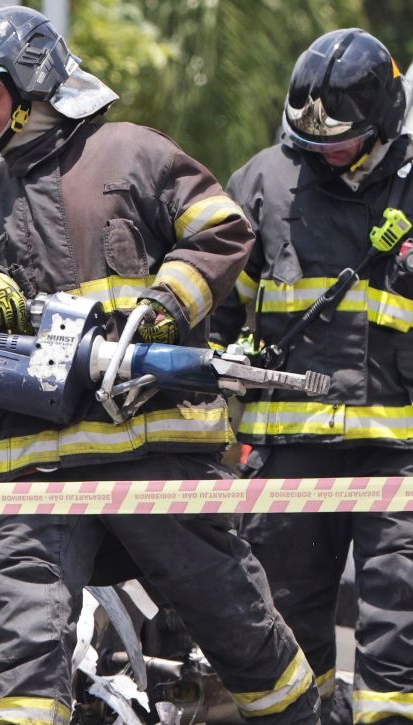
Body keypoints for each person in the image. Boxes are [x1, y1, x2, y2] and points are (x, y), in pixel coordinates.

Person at [0, 6, 318, 723]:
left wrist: (167, 300)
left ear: (33, 79)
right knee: (23, 662)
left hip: (149, 458)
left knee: (240, 629)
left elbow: (222, 228)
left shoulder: (130, 153)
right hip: (27, 475)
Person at [211, 28, 413, 723]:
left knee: (399, 624)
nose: (325, 150)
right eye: (312, 137)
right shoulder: (264, 181)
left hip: (400, 455)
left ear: (384, 122)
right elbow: (214, 308)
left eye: (343, 139)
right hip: (290, 453)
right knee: (285, 624)